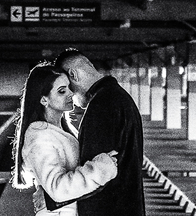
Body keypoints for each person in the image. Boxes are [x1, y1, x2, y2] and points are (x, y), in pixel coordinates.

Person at [13, 62, 118, 216]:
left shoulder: (58, 130)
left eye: (69, 87)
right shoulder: (40, 137)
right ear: (44, 100)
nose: (70, 93)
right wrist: (100, 169)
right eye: (61, 91)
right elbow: (58, 189)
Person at [55, 49, 145, 216]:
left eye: (67, 87)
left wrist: (53, 199)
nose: (69, 94)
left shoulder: (102, 106)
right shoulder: (117, 97)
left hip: (109, 209)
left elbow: (95, 175)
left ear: (73, 75)